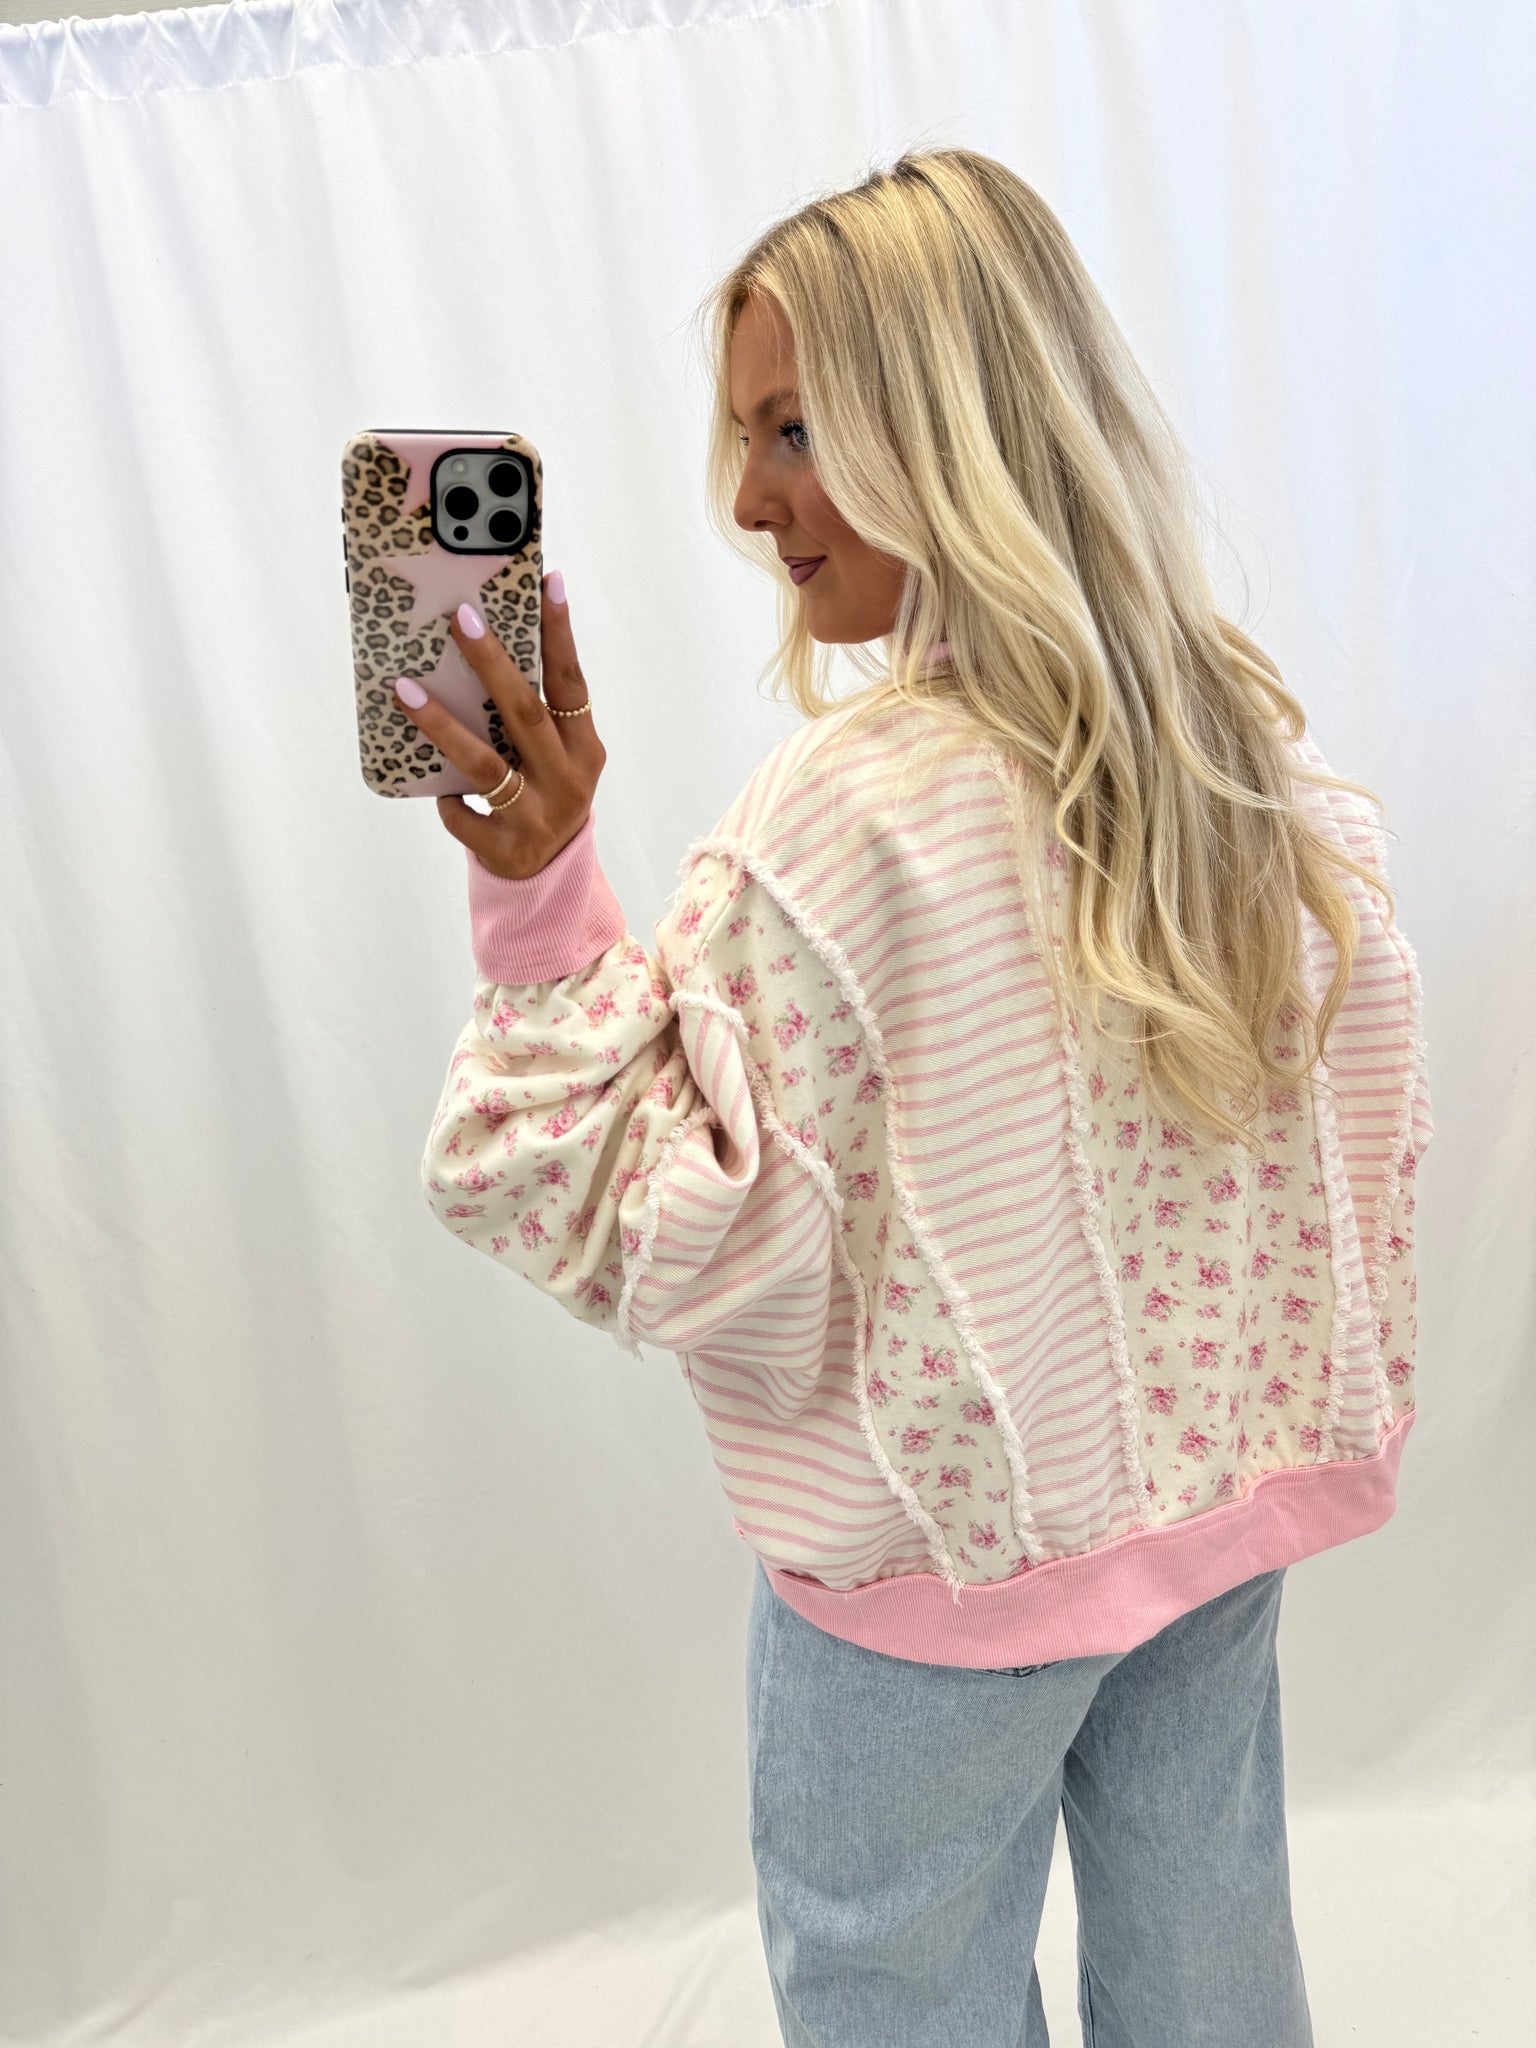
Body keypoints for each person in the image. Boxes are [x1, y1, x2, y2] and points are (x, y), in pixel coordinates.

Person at [392, 147, 1432, 2048]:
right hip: (1204, 1524)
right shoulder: (1254, 781)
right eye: (744, 435)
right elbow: (1330, 1148)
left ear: (945, 419)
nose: (748, 499)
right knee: (1208, 1930)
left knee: (894, 1988)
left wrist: (540, 890)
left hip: (936, 1576)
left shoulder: (848, 825)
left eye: (794, 427)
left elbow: (626, 1208)